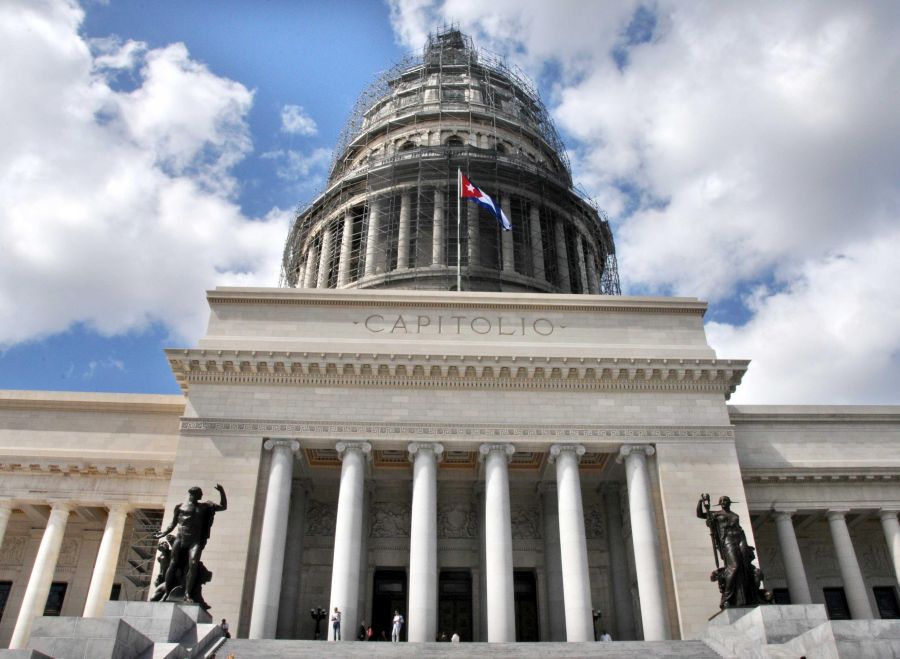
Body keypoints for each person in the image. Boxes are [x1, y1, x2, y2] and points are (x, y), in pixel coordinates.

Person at [155, 484, 227, 603]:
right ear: (193, 494)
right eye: (200, 494)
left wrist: (222, 491)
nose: (202, 495)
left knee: (193, 563)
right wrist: (162, 534)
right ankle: (167, 592)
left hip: (195, 540)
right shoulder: (180, 507)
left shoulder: (204, 507)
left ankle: (187, 593)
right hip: (180, 538)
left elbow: (223, 506)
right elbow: (172, 524)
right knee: (173, 564)